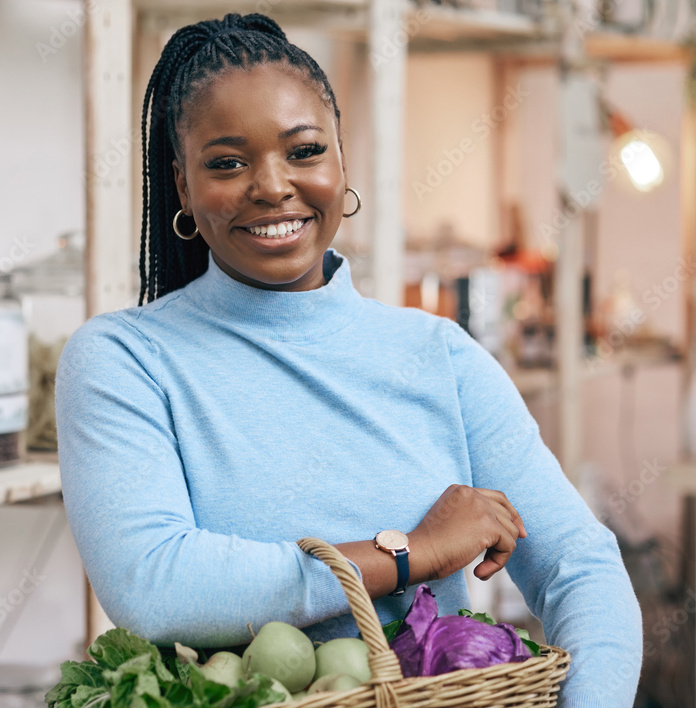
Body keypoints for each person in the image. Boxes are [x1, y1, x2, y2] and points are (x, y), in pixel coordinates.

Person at [56, 13, 642, 707]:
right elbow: (154, 585)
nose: (272, 186)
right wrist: (408, 554)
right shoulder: (124, 361)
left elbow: (582, 565)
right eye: (226, 162)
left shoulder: (439, 356)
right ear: (183, 187)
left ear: (341, 162)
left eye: (303, 151)